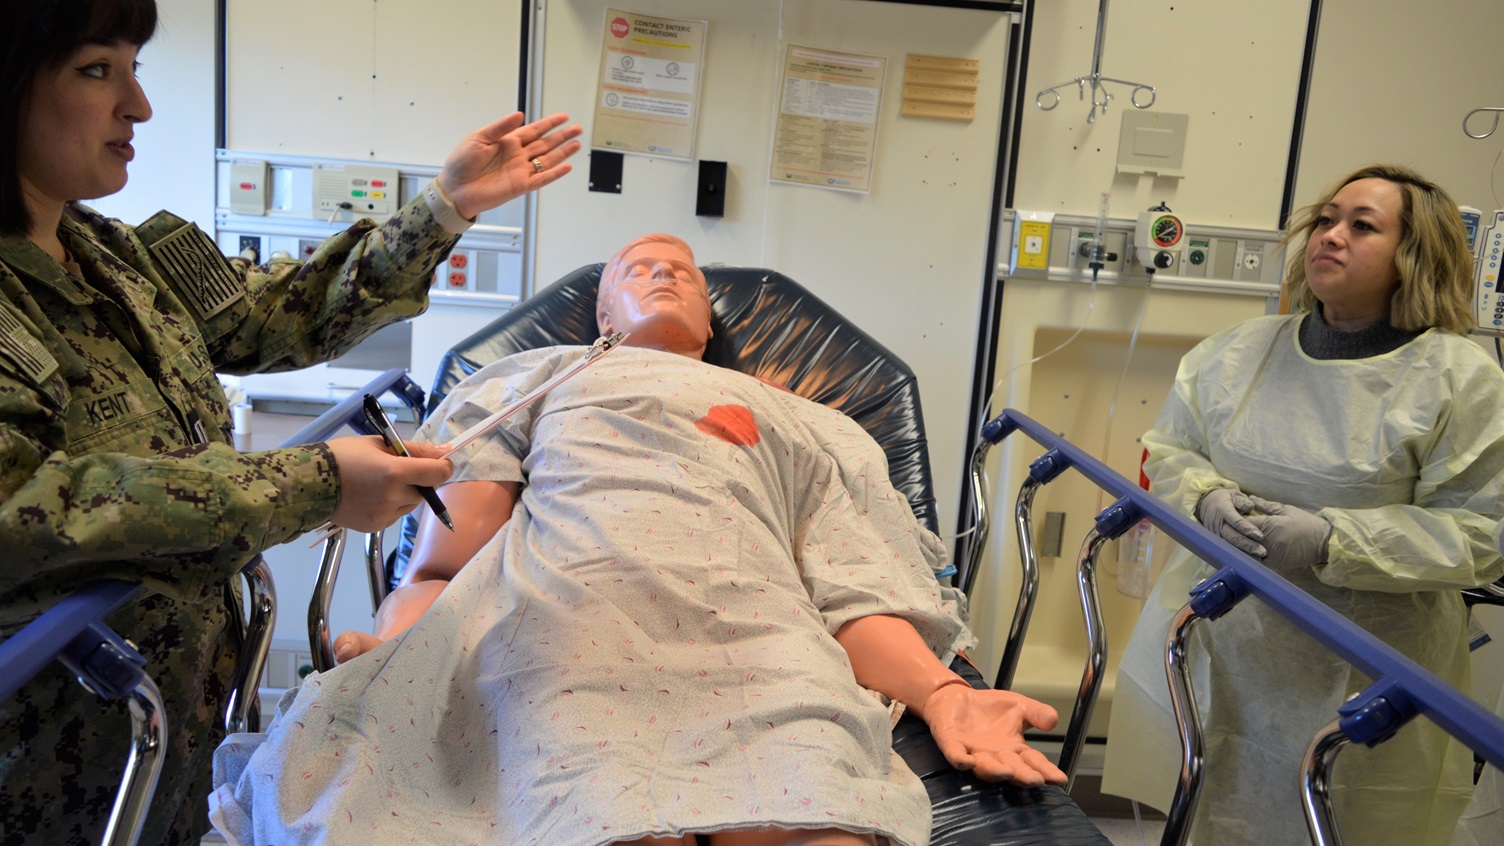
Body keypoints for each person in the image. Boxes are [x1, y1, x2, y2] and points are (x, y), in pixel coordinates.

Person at [212, 233, 1068, 846]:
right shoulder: (533, 380)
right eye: (638, 268)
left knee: (814, 818)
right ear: (602, 310)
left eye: (681, 272)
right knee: (597, 814)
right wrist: (394, 644)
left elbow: (855, 587)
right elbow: (447, 558)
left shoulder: (811, 423)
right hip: (567, 628)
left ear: (707, 316)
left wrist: (941, 692)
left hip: (759, 641)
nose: (662, 274)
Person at [0, 0, 582, 843]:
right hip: (44, 763)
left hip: (159, 754)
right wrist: (319, 481)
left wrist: (444, 208)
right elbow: (27, 502)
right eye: (98, 70)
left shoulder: (116, 254)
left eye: (136, 68)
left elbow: (274, 314)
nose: (139, 105)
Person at [1100, 164, 1504, 846]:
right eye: (1326, 219)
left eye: (1362, 225)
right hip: (1224, 646)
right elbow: (1168, 450)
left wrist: (1331, 539)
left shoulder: (1461, 382)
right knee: (1214, 810)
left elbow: (1479, 530)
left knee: (1341, 822)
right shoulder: (1234, 355)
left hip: (1364, 671)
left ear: (1415, 254)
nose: (1332, 235)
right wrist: (1204, 499)